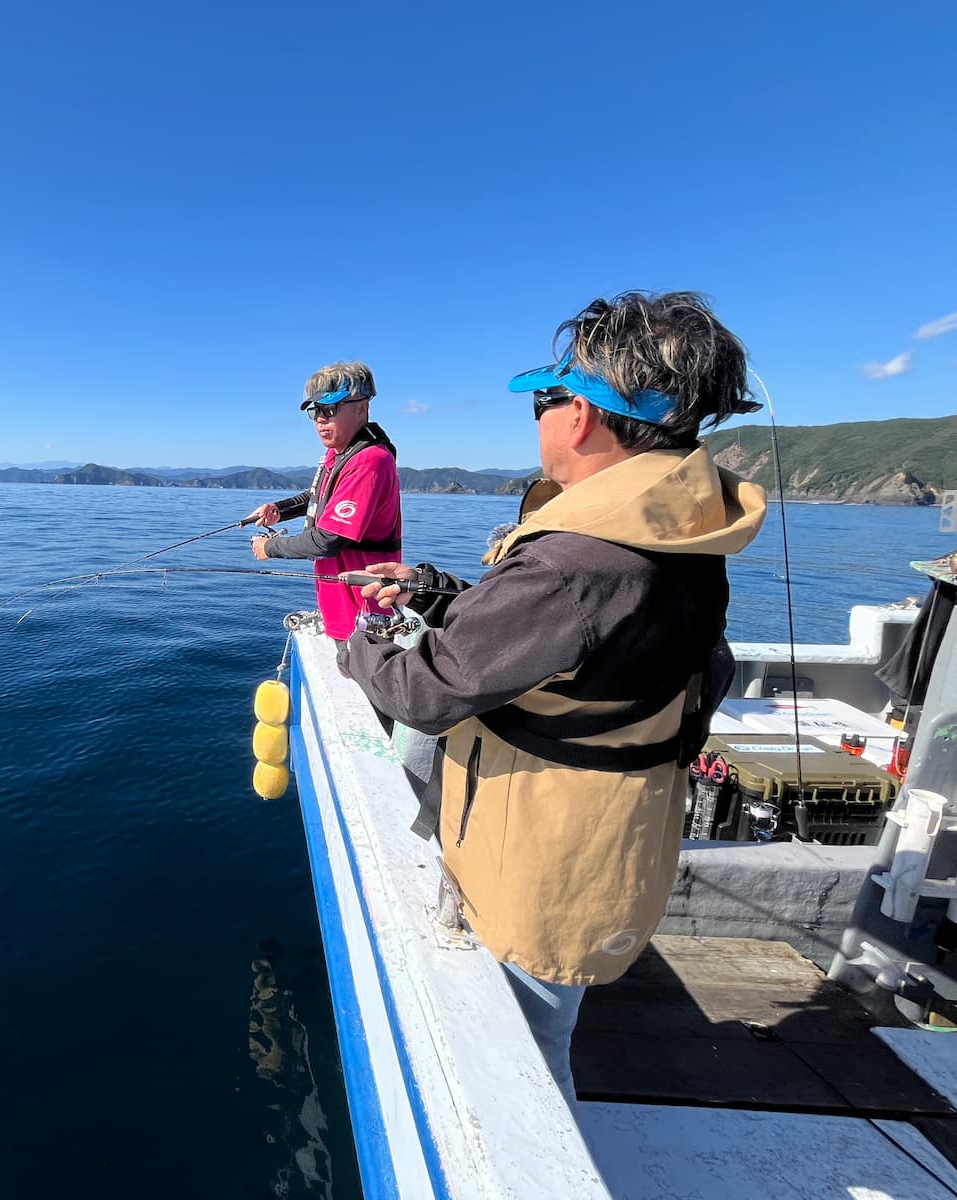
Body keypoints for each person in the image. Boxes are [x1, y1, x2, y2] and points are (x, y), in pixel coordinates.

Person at [343, 291, 767, 1103]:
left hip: (536, 866)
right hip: (606, 850)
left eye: (546, 399)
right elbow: (582, 639)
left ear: (579, 416)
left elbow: (424, 691)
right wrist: (437, 592)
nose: (538, 418)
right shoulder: (674, 533)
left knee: (526, 1079)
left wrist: (363, 639)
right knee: (551, 1030)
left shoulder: (573, 563)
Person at [246, 361, 402, 676]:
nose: (319, 419)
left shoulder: (369, 461)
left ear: (361, 409)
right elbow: (317, 496)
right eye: (314, 411)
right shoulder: (340, 454)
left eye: (329, 409)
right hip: (342, 606)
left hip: (363, 611)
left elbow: (329, 539)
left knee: (365, 684)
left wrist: (270, 549)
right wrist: (280, 508)